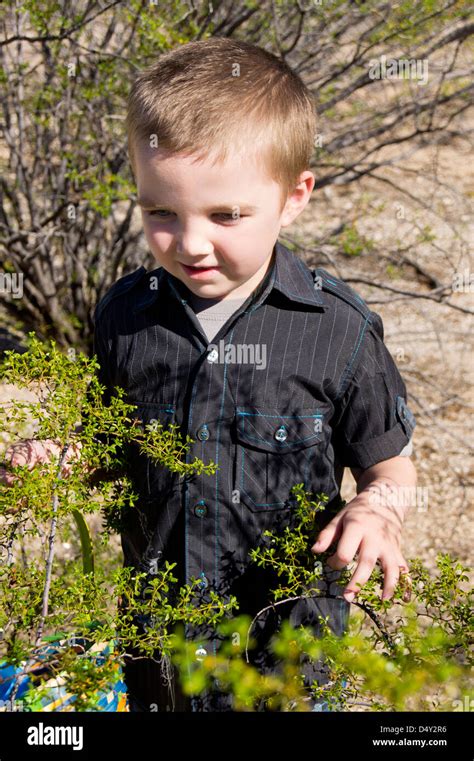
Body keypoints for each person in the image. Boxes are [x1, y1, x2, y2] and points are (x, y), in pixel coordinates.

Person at [0, 37, 417, 713]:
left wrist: (377, 510)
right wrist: (60, 460)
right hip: (157, 647)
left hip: (286, 654)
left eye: (226, 215)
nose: (189, 242)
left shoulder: (338, 330)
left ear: (293, 196)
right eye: (160, 211)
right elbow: (112, 448)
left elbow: (391, 467)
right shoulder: (125, 315)